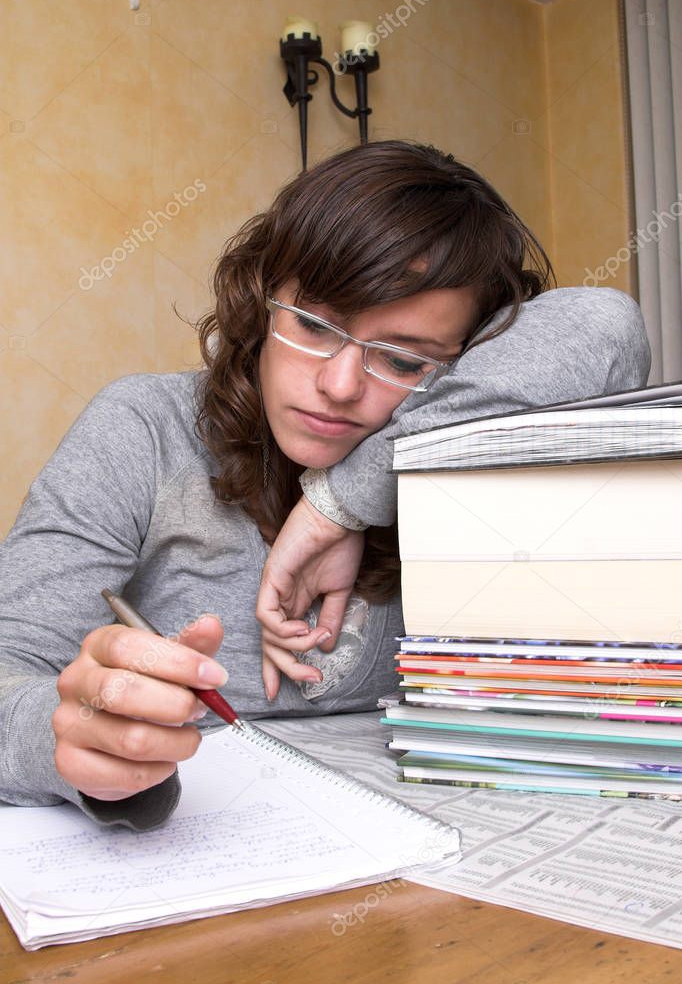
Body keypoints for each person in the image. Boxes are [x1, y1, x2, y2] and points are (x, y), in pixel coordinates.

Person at [0, 140, 650, 831]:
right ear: (262, 300)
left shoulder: (461, 466)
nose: (339, 386)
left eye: (402, 359)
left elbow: (604, 325)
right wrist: (78, 746)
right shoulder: (143, 431)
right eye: (313, 324)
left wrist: (338, 502)